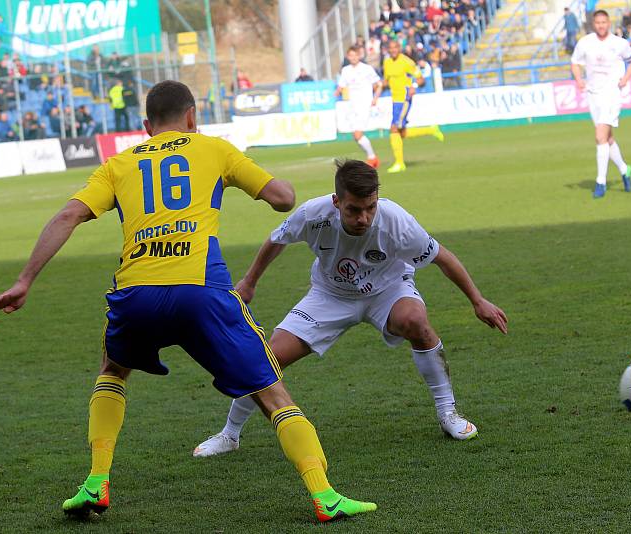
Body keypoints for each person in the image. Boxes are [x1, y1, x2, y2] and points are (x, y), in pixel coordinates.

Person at [0, 80, 376, 524]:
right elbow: (282, 199)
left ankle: (96, 481)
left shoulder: (119, 163)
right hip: (201, 291)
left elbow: (68, 215)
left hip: (136, 295)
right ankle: (324, 495)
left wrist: (24, 280)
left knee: (112, 370)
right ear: (192, 116)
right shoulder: (214, 149)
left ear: (147, 126)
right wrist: (261, 180)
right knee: (270, 390)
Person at [194, 159, 508, 458]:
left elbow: (443, 257)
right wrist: (249, 282)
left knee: (415, 320)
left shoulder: (396, 221)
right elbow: (277, 239)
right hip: (329, 295)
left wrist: (478, 301)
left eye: (370, 208)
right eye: (354, 210)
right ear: (336, 201)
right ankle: (229, 434)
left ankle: (448, 412)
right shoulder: (313, 214)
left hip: (388, 290)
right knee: (267, 358)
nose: (364, 218)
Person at [570, 9, 631, 199]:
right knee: (607, 138)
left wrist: (625, 79)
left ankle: (601, 182)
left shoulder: (619, 44)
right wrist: (578, 80)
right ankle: (625, 169)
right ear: (594, 24)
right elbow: (575, 62)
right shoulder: (585, 43)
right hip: (593, 94)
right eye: (597, 22)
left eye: (604, 22)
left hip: (612, 94)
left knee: (600, 136)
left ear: (608, 23)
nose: (601, 25)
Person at [381, 40, 443, 174]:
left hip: (404, 99)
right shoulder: (387, 62)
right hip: (394, 100)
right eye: (390, 48)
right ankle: (431, 130)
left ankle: (399, 163)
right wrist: (379, 86)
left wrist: (413, 87)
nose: (393, 50)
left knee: (393, 129)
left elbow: (421, 79)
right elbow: (386, 81)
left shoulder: (407, 62)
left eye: (395, 47)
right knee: (401, 132)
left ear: (399, 48)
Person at [335, 46, 383, 168]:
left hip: (364, 105)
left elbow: (379, 84)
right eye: (350, 55)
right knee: (356, 136)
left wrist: (375, 98)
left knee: (358, 134)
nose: (353, 57)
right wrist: (336, 93)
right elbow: (341, 86)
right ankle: (373, 158)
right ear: (348, 57)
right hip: (353, 106)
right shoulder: (346, 70)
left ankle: (372, 158)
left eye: (355, 55)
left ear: (359, 55)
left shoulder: (366, 69)